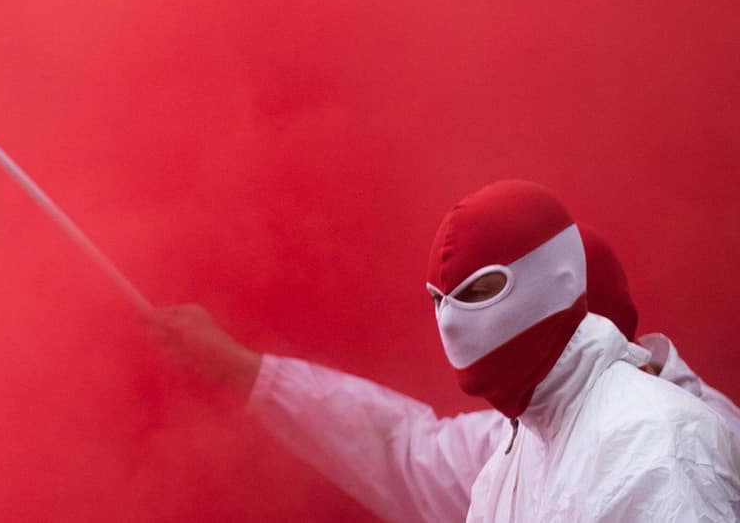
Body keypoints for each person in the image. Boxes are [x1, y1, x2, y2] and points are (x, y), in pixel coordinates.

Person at [151, 181, 740, 522]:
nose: (456, 318)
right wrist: (243, 368)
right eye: (442, 299)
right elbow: (405, 449)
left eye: (484, 291)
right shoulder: (525, 440)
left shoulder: (664, 443)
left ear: (566, 301)